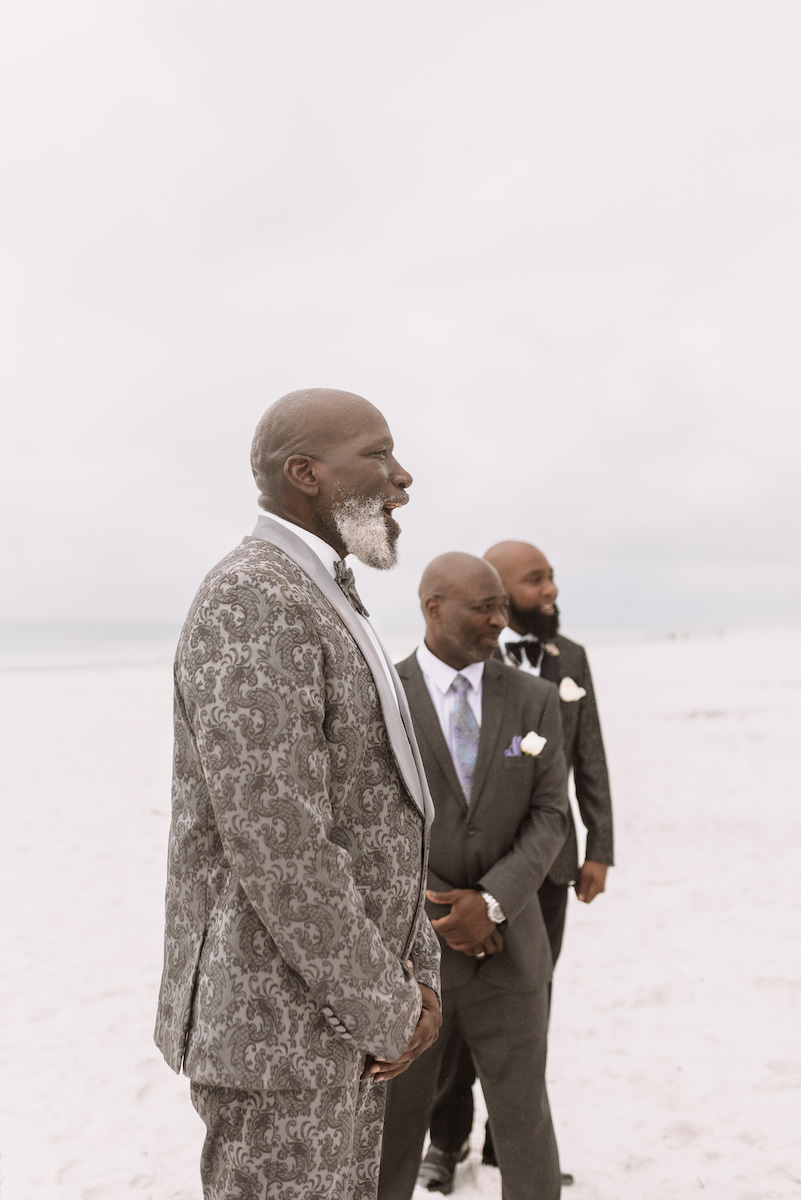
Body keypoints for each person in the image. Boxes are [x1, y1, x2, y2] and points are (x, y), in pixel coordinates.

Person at [154, 388, 442, 1200]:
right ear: (304, 474)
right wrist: (390, 1008)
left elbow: (385, 810)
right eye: (378, 454)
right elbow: (280, 847)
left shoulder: (321, 586)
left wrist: (414, 979)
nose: (402, 476)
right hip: (277, 1039)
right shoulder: (252, 596)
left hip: (339, 1029)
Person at [419, 540, 614, 1189]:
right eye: (535, 581)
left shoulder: (565, 664)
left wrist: (599, 850)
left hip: (539, 877)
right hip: (442, 894)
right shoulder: (443, 669)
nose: (548, 590)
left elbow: (587, 762)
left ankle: (509, 1141)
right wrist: (455, 904)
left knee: (526, 1012)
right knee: (447, 1031)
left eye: (548, 579)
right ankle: (443, 1143)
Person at [378, 553, 570, 1200]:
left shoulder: (536, 700)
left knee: (524, 1124)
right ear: (432, 608)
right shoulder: (378, 696)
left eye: (499, 605)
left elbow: (549, 814)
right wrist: (442, 911)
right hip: (410, 961)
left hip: (512, 952)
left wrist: (490, 903)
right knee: (395, 1129)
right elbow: (365, 819)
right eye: (481, 607)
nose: (499, 619)